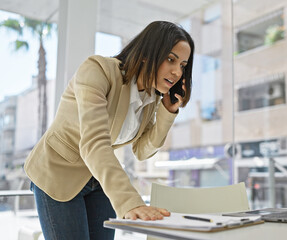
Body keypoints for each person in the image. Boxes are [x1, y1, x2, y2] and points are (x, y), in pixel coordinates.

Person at [24, 21, 194, 240]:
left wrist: (167, 112)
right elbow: (94, 143)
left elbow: (142, 151)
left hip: (99, 178)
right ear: (146, 53)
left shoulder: (150, 98)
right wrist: (130, 202)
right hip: (58, 172)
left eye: (183, 65)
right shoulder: (97, 71)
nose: (177, 71)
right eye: (171, 59)